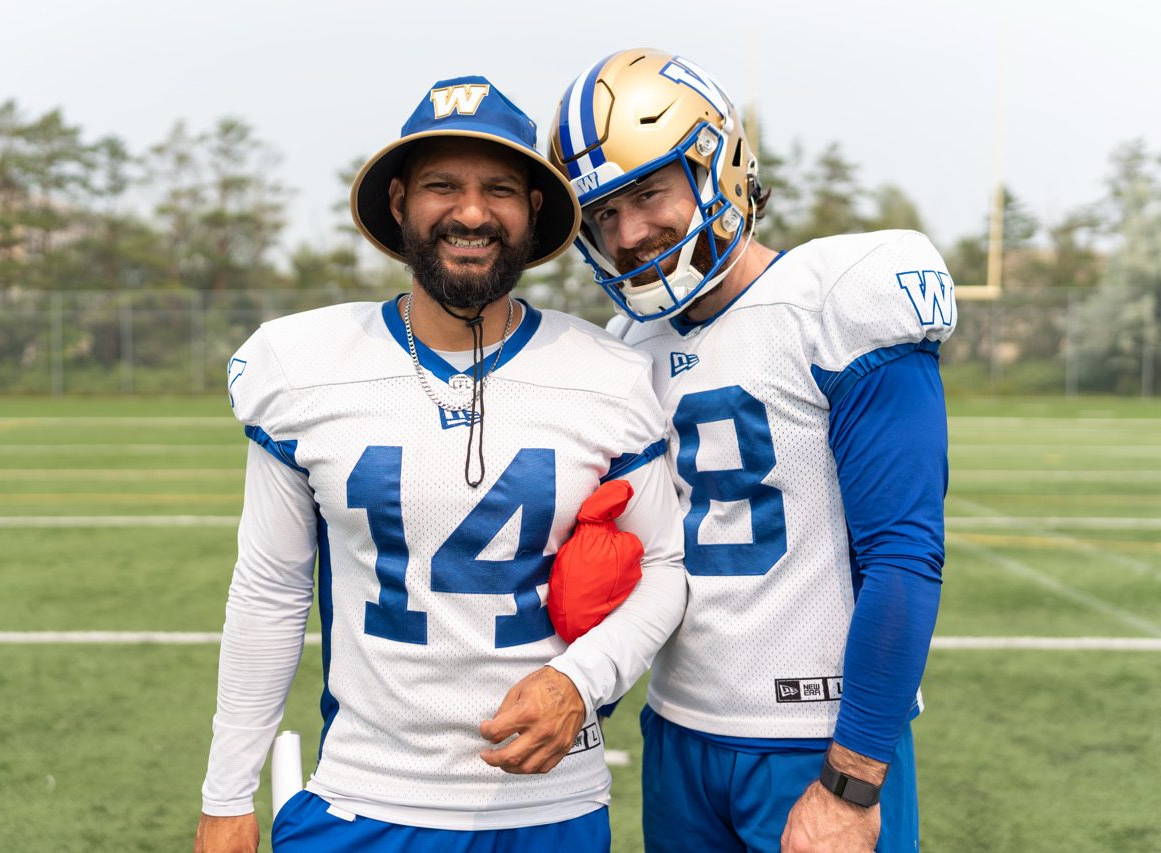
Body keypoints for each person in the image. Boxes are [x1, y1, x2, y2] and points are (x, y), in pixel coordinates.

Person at [194, 75, 687, 853]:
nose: (471, 212)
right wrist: (226, 793)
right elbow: (271, 588)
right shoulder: (304, 364)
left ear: (533, 210)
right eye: (442, 186)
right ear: (399, 203)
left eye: (500, 189)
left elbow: (664, 568)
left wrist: (580, 678)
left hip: (549, 806)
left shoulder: (607, 373)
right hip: (367, 795)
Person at [547, 49, 956, 853]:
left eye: (647, 193)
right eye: (603, 214)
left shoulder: (833, 298)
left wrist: (851, 780)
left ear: (718, 166)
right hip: (679, 733)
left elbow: (905, 554)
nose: (628, 234)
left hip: (816, 742)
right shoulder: (625, 346)